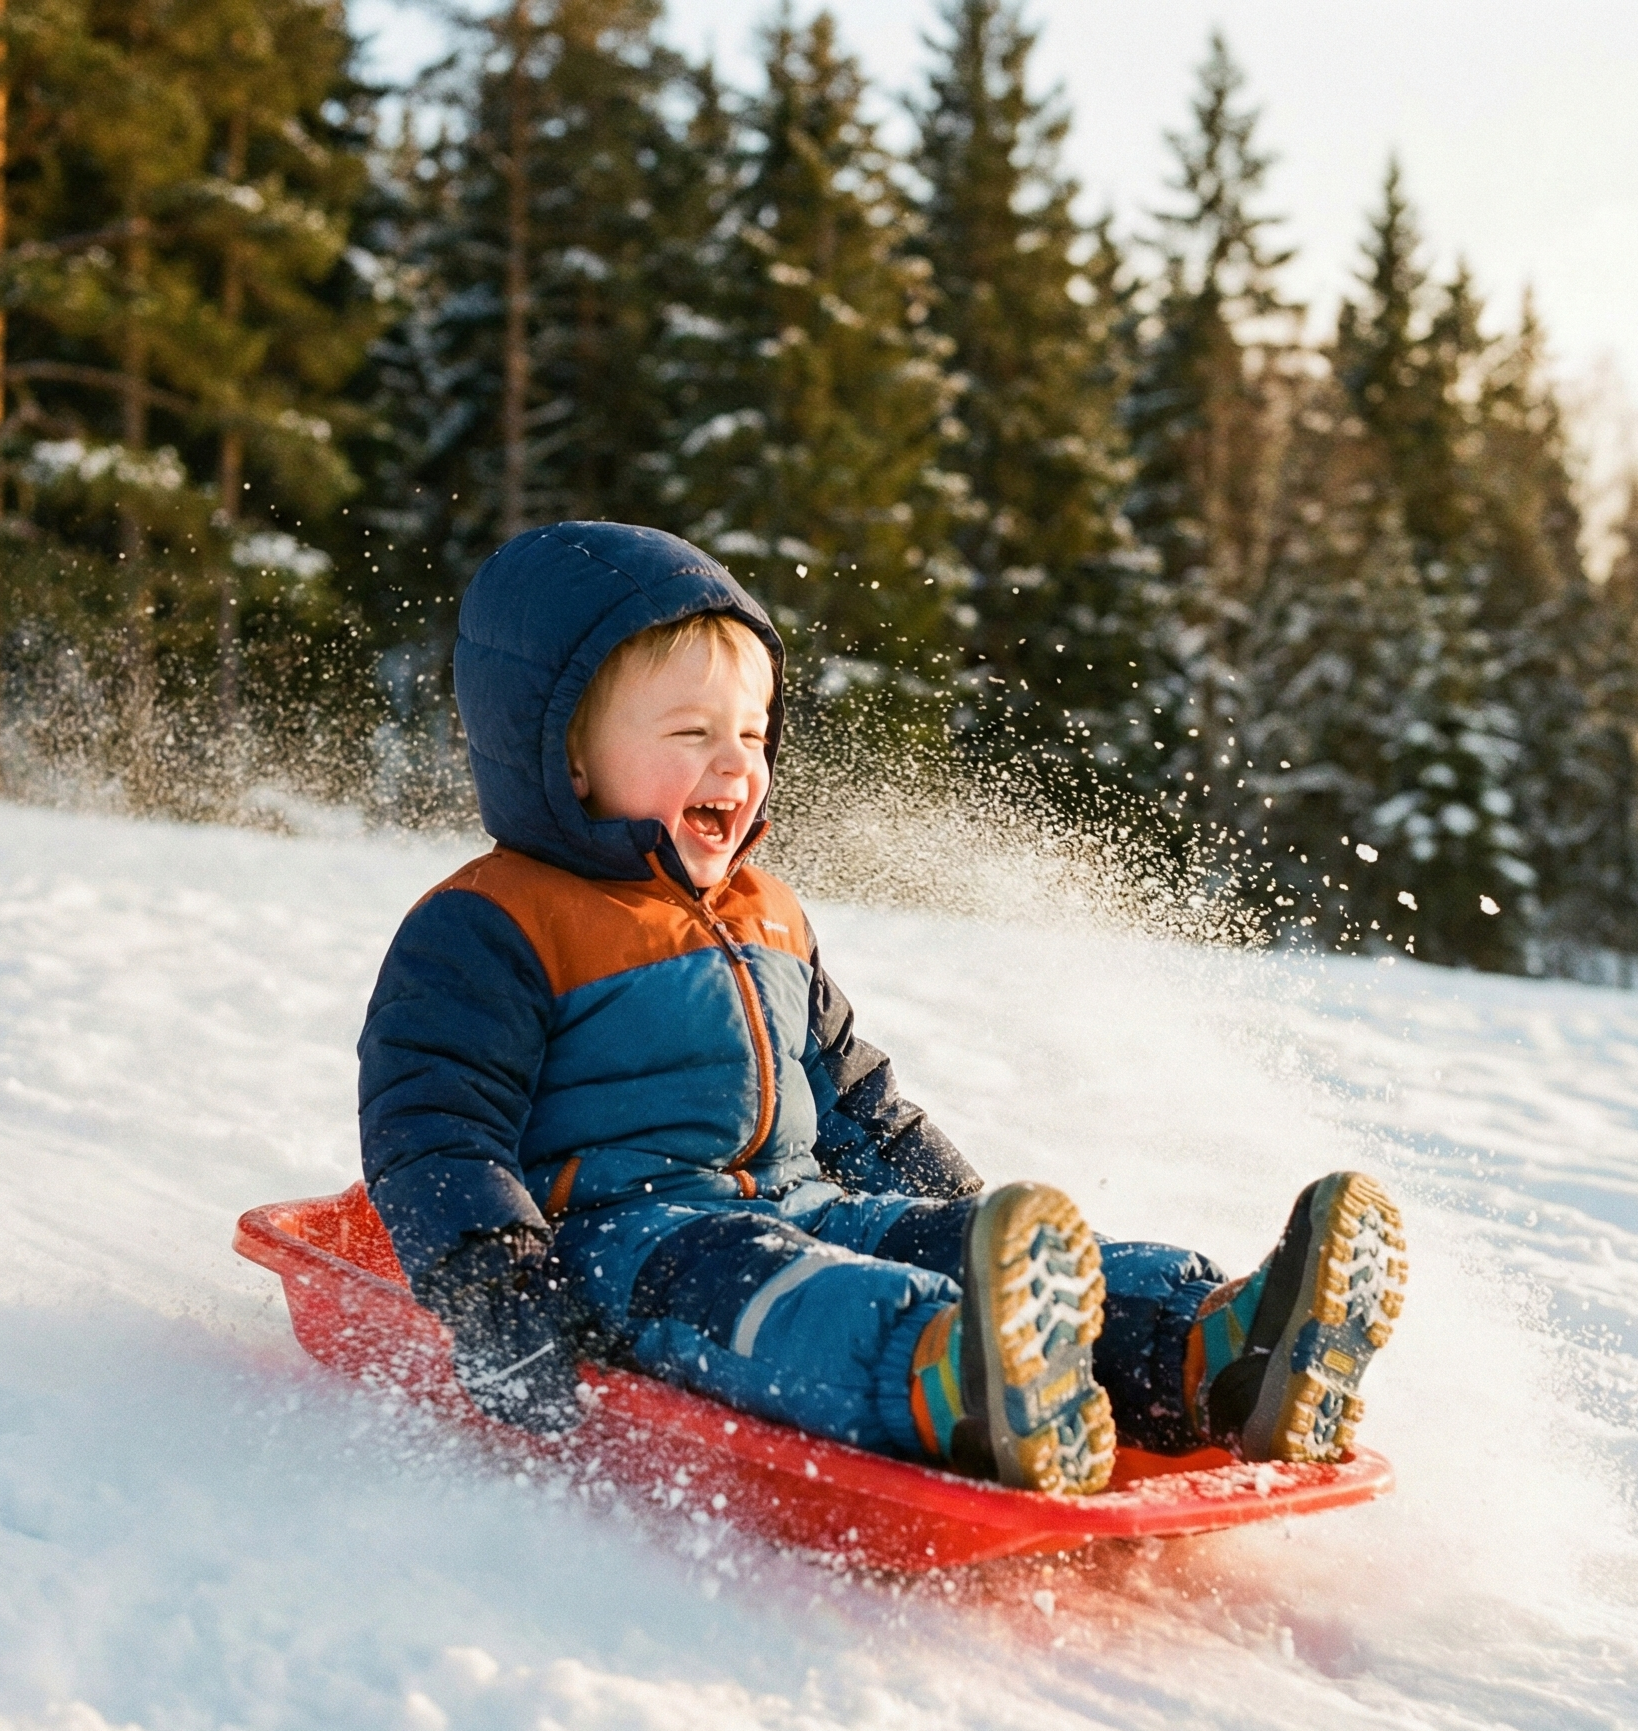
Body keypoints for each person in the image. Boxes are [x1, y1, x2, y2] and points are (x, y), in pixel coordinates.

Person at [358, 523, 1406, 1495]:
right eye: (690, 731)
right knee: (782, 1295)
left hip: (804, 1198)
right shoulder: (491, 923)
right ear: (564, 753)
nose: (735, 763)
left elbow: (854, 1092)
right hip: (623, 1249)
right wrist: (494, 1287)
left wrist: (964, 1222)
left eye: (754, 732)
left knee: (932, 1252)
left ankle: (1216, 1351)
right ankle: (955, 1379)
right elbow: (432, 1131)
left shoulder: (766, 911)